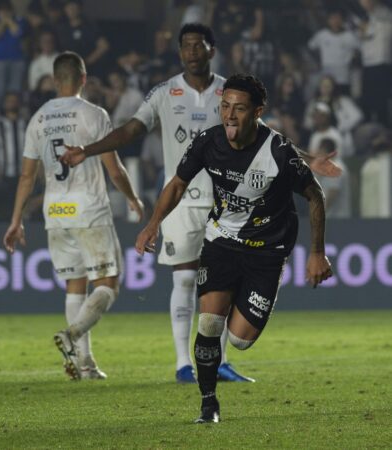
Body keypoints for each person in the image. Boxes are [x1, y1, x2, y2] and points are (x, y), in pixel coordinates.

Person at [60, 23, 341, 384]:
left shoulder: (231, 90)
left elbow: (268, 139)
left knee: (221, 286)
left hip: (227, 205)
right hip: (181, 200)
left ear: (211, 50)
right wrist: (87, 150)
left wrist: (308, 161)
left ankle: (220, 361)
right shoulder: (164, 92)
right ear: (179, 52)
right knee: (184, 279)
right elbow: (131, 130)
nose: (192, 51)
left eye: (199, 45)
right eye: (186, 46)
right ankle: (182, 364)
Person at [135, 74, 333, 423]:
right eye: (225, 106)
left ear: (258, 112)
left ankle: (245, 294)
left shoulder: (278, 151)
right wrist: (153, 224)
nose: (229, 115)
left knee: (240, 339)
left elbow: (314, 194)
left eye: (239, 109)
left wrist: (317, 252)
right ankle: (208, 403)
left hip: (268, 250)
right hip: (222, 242)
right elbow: (178, 183)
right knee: (210, 322)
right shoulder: (208, 142)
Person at [3, 51, 144, 380]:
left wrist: (16, 219)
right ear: (83, 79)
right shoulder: (94, 114)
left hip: (56, 210)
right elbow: (114, 168)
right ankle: (72, 334)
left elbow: (26, 176)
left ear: (54, 80)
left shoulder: (38, 118)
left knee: (75, 285)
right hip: (88, 209)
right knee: (108, 284)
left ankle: (85, 364)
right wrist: (133, 198)